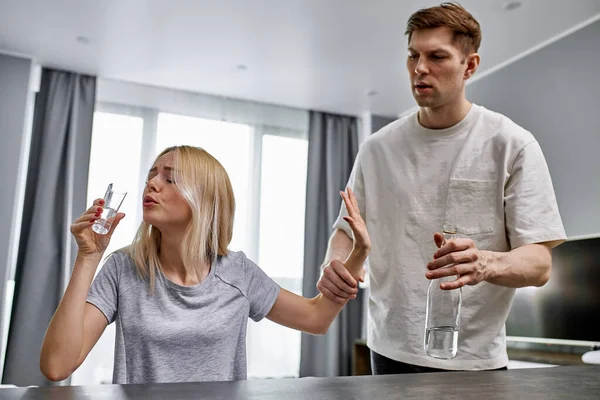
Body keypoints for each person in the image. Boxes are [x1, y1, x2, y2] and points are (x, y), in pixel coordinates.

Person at [317, 2, 566, 374]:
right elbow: (346, 230)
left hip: (474, 361)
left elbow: (539, 263)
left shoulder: (512, 144)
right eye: (413, 55)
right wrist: (333, 263)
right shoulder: (376, 149)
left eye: (437, 56)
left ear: (469, 65)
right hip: (389, 349)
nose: (420, 68)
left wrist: (487, 262)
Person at [40, 145, 370, 384]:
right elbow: (57, 367)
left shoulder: (237, 272)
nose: (152, 184)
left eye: (170, 179)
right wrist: (88, 257)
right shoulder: (122, 268)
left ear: (205, 200)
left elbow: (316, 318)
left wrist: (357, 254)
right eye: (151, 176)